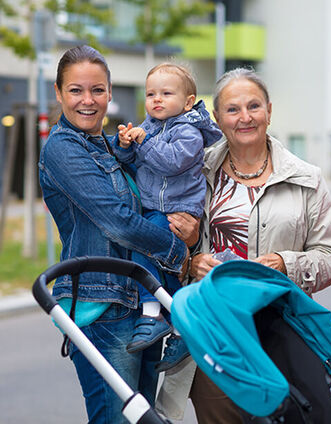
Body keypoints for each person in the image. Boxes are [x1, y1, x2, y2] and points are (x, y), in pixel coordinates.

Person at [156, 68, 331, 423]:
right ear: (217, 118)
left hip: (283, 334)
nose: (245, 117)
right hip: (215, 338)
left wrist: (285, 264)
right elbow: (164, 243)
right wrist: (191, 262)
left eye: (254, 106)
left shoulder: (306, 178)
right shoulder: (193, 174)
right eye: (232, 109)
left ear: (269, 111)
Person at [38, 45, 198, 424]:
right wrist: (179, 252)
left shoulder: (112, 147)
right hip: (104, 309)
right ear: (59, 93)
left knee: (143, 418)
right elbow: (119, 222)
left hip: (141, 305)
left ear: (110, 93)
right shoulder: (63, 149)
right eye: (76, 90)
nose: (87, 100)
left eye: (97, 90)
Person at [112, 63, 222, 370]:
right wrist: (124, 145)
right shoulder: (148, 126)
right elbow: (129, 161)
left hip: (178, 210)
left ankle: (151, 313)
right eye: (150, 94)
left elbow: (171, 162)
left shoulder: (189, 132)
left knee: (142, 248)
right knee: (160, 265)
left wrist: (143, 141)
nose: (156, 99)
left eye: (166, 93)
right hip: (154, 208)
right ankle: (181, 324)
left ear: (188, 102)